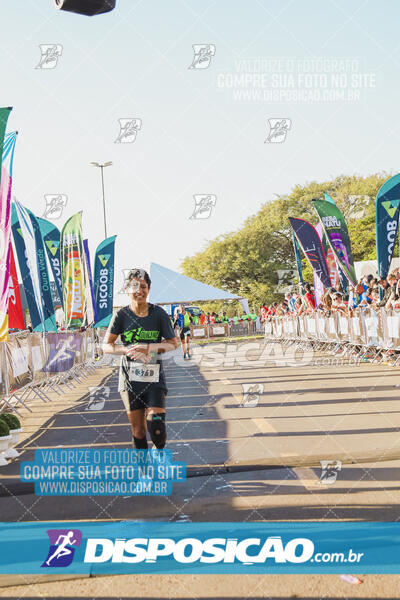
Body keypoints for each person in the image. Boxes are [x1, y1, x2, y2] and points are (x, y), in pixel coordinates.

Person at [103, 269, 178, 450]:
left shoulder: (159, 314)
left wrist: (149, 348)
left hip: (154, 378)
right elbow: (106, 345)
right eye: (134, 286)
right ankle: (144, 475)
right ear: (127, 290)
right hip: (130, 380)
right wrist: (125, 349)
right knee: (138, 431)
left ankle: (159, 451)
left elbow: (173, 343)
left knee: (157, 426)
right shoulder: (121, 316)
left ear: (149, 289)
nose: (139, 290)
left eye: (143, 286)